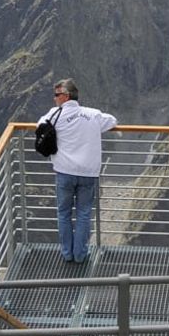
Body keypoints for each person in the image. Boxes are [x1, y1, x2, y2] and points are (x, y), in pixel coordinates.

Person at [38, 79, 117, 264]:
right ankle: (80, 254)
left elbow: (40, 125)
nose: (54, 99)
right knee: (83, 213)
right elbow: (112, 121)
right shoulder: (93, 114)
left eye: (57, 95)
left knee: (64, 212)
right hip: (88, 172)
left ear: (65, 96)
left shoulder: (54, 115)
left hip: (64, 171)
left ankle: (67, 253)